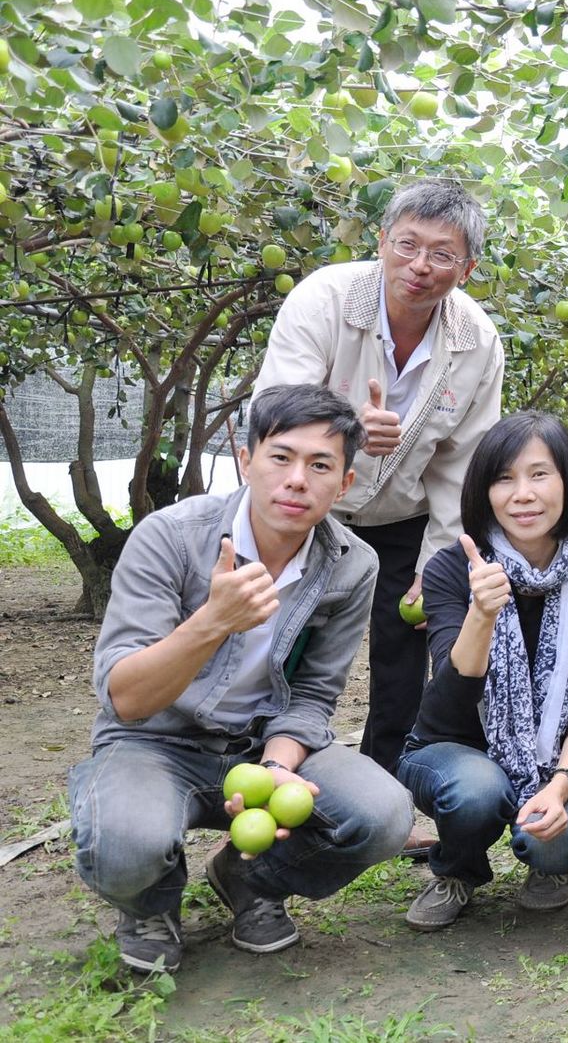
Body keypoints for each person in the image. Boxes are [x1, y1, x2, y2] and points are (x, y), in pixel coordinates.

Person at [69, 385, 413, 973]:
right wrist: (211, 622)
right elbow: (126, 698)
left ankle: (249, 876)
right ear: (246, 460)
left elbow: (312, 695)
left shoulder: (353, 564)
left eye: (321, 464)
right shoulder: (170, 537)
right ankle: (151, 902)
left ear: (345, 484)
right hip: (153, 742)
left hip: (258, 743)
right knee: (124, 847)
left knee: (384, 815)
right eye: (281, 456)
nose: (297, 479)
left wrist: (278, 766)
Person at [255, 179, 504, 854]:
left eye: (442, 253)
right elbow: (274, 408)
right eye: (408, 244)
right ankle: (264, 773)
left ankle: (387, 785)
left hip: (401, 514)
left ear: (467, 267)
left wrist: (441, 559)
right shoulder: (324, 299)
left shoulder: (476, 338)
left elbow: (464, 461)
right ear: (382, 243)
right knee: (282, 635)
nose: (421, 264)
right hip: (304, 500)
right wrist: (347, 428)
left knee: (401, 651)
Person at [396, 412, 568, 930]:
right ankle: (456, 870)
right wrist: (481, 615)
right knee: (479, 790)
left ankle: (551, 865)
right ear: (485, 492)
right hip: (452, 748)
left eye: (539, 474)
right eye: (505, 478)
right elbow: (447, 705)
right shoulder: (453, 569)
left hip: (553, 751)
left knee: (554, 847)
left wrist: (563, 780)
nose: (523, 494)